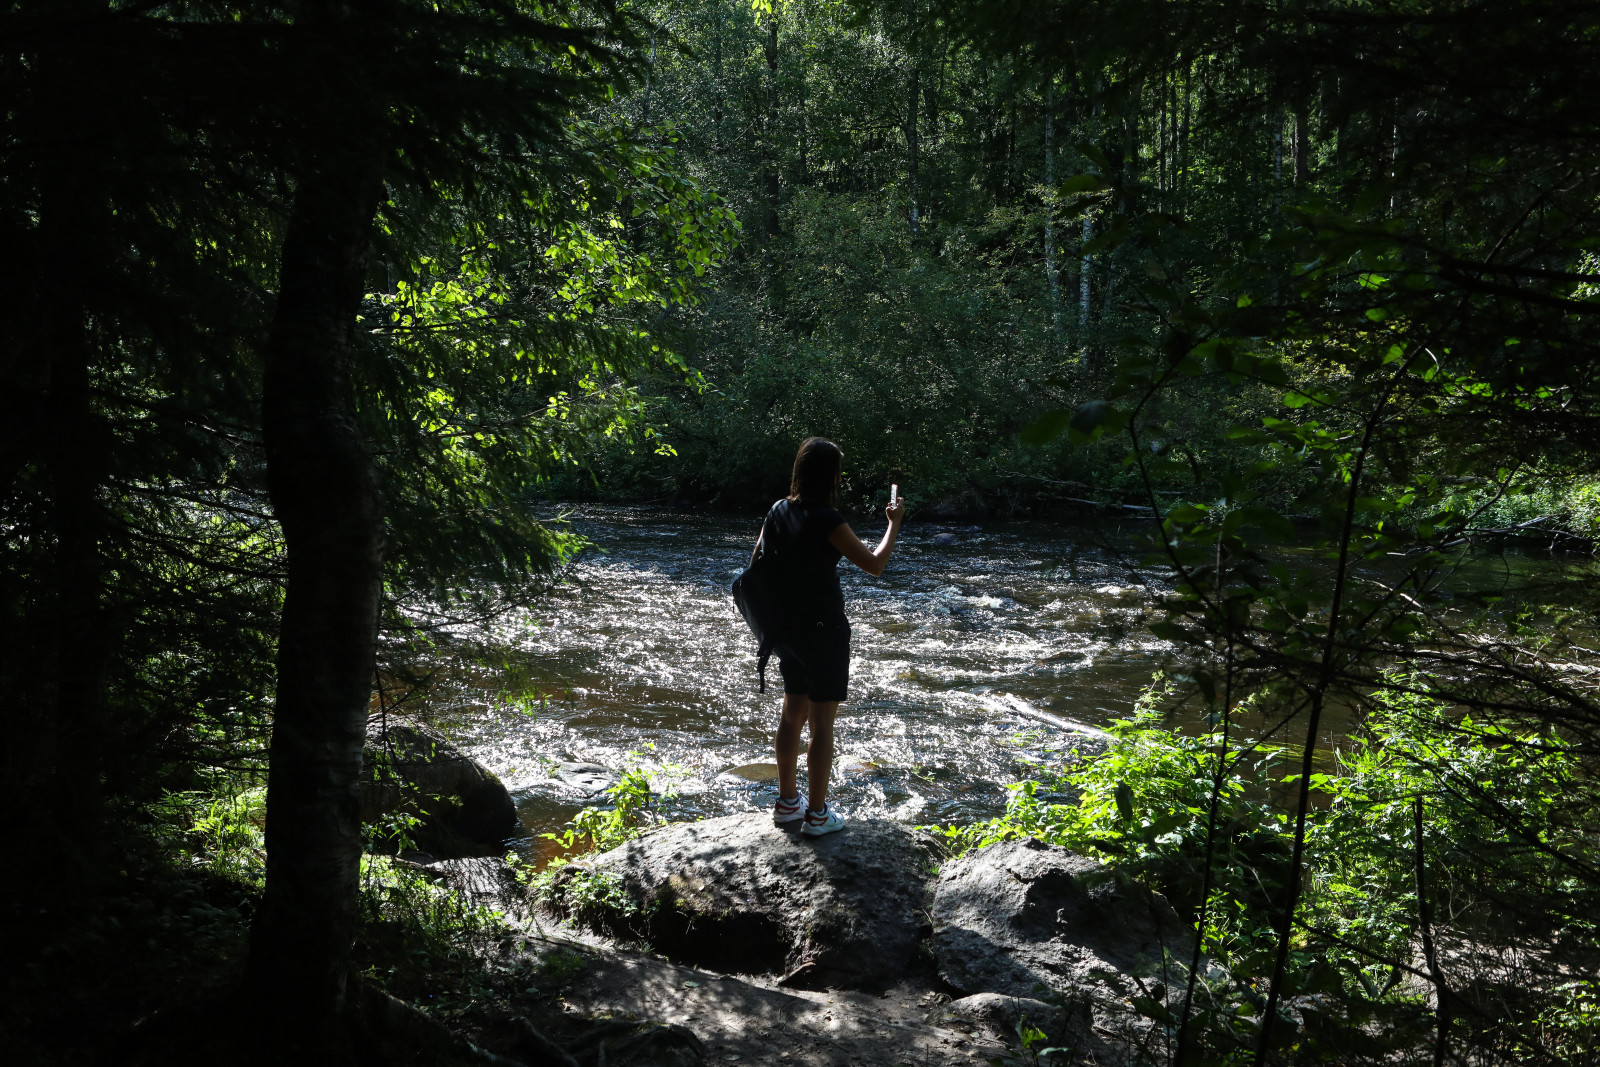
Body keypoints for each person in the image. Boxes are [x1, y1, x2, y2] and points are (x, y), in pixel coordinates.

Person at [749, 437, 905, 837]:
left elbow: (755, 566)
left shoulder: (778, 511)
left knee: (791, 715)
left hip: (787, 631)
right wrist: (893, 524)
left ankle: (787, 804)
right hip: (824, 631)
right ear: (830, 475)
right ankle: (817, 815)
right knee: (821, 725)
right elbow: (874, 564)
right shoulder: (827, 519)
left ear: (800, 470)